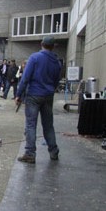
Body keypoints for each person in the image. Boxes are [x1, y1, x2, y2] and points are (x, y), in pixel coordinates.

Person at [15, 36, 61, 164]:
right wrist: (50, 89)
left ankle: (30, 153)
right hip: (48, 95)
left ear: (41, 44)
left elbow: (25, 78)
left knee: (31, 124)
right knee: (48, 125)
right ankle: (53, 151)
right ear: (53, 46)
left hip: (34, 94)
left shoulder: (34, 58)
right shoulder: (56, 61)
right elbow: (56, 80)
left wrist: (19, 94)